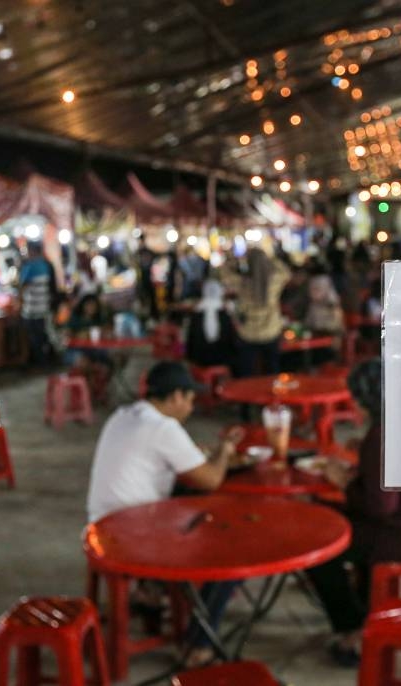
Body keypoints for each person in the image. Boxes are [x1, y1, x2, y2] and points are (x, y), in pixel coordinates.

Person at [86, 361, 243, 666]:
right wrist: (223, 451)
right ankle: (198, 646)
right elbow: (211, 479)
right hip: (131, 537)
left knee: (191, 504)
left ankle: (151, 593)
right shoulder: (163, 428)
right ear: (174, 397)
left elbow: (177, 458)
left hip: (103, 526)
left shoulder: (125, 415)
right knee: (229, 553)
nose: (191, 406)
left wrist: (206, 454)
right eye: (189, 399)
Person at [306, 359, 401, 666]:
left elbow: (380, 507)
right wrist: (360, 471)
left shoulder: (381, 435)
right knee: (327, 517)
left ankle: (352, 628)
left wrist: (343, 481)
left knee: (318, 545)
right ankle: (364, 612)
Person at [220, 247, 290, 377]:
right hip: (271, 331)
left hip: (248, 333)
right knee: (272, 370)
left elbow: (224, 273)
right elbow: (285, 272)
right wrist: (270, 257)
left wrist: (235, 260)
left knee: (247, 372)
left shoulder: (242, 283)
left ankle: (248, 396)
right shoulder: (273, 282)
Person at [19, 242, 58, 368]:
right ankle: (49, 360)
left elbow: (22, 287)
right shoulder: (46, 265)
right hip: (44, 308)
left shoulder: (29, 267)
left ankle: (41, 363)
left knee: (34, 338)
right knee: (44, 335)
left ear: (32, 251)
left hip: (31, 310)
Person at [185, 279, 237, 368]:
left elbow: (190, 342)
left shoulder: (196, 313)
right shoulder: (225, 312)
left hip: (199, 359)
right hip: (223, 359)